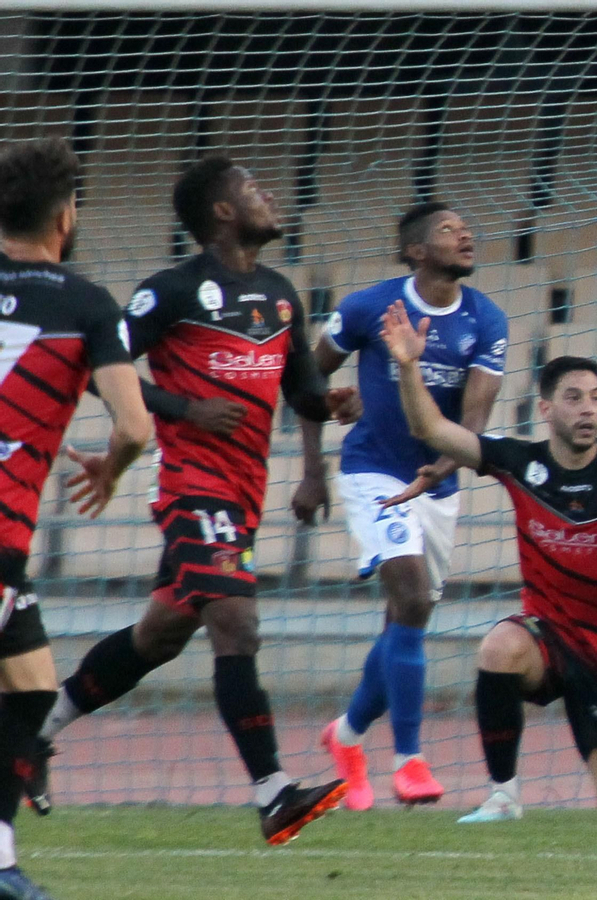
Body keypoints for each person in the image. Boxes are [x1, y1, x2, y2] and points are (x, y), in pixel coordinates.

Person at [29, 155, 359, 845]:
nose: (267, 194)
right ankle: (274, 793)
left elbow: (301, 392)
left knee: (160, 636)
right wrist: (185, 408)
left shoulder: (279, 295)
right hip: (189, 485)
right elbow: (99, 366)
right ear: (221, 211)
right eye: (253, 187)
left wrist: (327, 419)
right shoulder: (172, 292)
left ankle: (33, 736)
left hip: (242, 497)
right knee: (236, 623)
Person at [374, 303, 597, 823]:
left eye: (595, 398)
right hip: (546, 638)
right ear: (545, 409)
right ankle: (504, 796)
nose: (588, 409)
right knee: (500, 646)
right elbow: (432, 430)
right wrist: (410, 366)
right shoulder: (520, 462)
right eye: (573, 399)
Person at [309, 202, 507, 810]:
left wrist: (445, 467)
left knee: (406, 619)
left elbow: (474, 421)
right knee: (414, 599)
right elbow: (307, 381)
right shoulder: (368, 308)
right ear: (416, 251)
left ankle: (344, 737)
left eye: (466, 226)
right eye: (449, 229)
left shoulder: (487, 320)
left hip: (437, 484)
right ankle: (411, 760)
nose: (466, 233)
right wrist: (313, 466)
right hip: (371, 472)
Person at [0, 137, 153, 900]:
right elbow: (134, 426)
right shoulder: (88, 304)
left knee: (30, 687)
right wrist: (111, 470)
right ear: (64, 217)